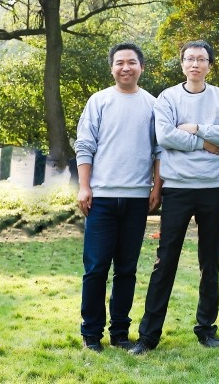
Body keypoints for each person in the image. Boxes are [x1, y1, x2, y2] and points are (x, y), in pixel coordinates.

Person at [129, 41, 219, 355]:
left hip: (212, 188)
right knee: (165, 261)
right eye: (190, 59)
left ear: (209, 65)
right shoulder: (168, 97)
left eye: (201, 59)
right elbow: (165, 136)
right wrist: (204, 143)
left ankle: (206, 329)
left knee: (210, 261)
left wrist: (195, 127)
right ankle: (148, 336)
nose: (195, 64)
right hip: (177, 188)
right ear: (182, 64)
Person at [75, 43, 161, 353]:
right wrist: (84, 187)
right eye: (120, 62)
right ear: (112, 68)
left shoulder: (153, 104)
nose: (126, 67)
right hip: (101, 198)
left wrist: (156, 188)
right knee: (96, 268)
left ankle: (120, 333)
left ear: (141, 67)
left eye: (132, 62)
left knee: (126, 269)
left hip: (137, 199)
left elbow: (159, 151)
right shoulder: (99, 101)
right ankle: (91, 334)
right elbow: (85, 145)